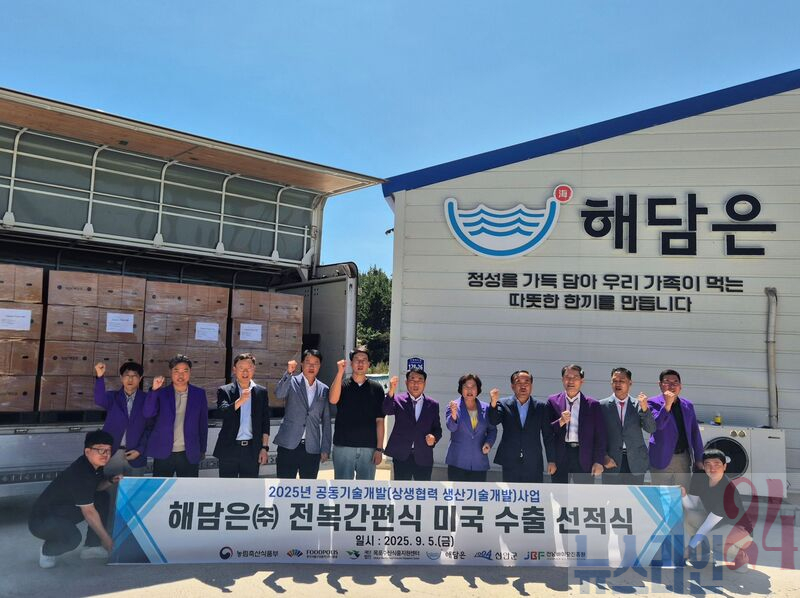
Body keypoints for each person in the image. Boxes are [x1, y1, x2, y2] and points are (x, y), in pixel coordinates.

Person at [28, 430, 120, 568]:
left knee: (102, 496)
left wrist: (111, 481)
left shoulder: (94, 465)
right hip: (41, 521)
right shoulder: (80, 473)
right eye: (101, 450)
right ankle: (48, 550)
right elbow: (89, 512)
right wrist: (106, 539)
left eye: (108, 450)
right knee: (72, 538)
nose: (106, 455)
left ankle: (92, 547)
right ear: (87, 451)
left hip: (63, 511)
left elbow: (96, 488)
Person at [682, 449, 754, 571]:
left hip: (740, 529)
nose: (712, 468)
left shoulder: (728, 491)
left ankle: (741, 557)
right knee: (689, 516)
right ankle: (705, 555)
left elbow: (708, 525)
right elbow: (692, 507)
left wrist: (689, 548)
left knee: (710, 539)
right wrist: (683, 496)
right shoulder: (699, 478)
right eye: (708, 464)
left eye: (717, 464)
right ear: (703, 466)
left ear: (725, 466)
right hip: (718, 524)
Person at [143, 355, 208, 478]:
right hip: (164, 452)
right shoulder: (161, 393)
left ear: (190, 372)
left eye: (185, 371)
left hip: (188, 452)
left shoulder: (199, 394)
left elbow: (202, 423)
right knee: (161, 488)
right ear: (171, 372)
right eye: (176, 371)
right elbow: (148, 413)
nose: (181, 375)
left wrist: (202, 449)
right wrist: (154, 391)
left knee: (187, 488)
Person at [488, 369, 556, 483]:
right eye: (518, 382)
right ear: (512, 386)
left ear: (531, 386)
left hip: (533, 460)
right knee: (511, 492)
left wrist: (551, 460)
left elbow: (548, 435)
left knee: (533, 492)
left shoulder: (541, 407)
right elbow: (494, 420)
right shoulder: (504, 404)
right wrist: (493, 403)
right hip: (510, 459)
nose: (523, 386)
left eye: (527, 382)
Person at [329, 347, 386, 480]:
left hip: (368, 448)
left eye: (364, 360)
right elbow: (332, 399)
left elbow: (380, 420)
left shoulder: (377, 388)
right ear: (351, 363)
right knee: (343, 489)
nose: (360, 363)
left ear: (369, 364)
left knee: (365, 489)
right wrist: (340, 372)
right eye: (356, 360)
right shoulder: (342, 385)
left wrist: (379, 449)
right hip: (343, 446)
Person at [273, 349, 331, 479]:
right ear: (302, 364)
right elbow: (279, 394)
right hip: (288, 445)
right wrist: (288, 372)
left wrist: (325, 448)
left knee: (309, 488)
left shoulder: (324, 389)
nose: (311, 366)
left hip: (312, 447)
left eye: (315, 363)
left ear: (320, 366)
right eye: (308, 362)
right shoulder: (292, 381)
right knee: (285, 487)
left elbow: (326, 421)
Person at [212, 352, 270, 478]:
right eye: (241, 368)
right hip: (229, 449)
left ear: (254, 369)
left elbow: (265, 422)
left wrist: (264, 448)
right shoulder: (225, 390)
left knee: (249, 487)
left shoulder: (261, 392)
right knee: (228, 487)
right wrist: (240, 400)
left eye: (249, 368)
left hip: (252, 450)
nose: (245, 372)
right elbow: (222, 412)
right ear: (234, 370)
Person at [548, 364, 606, 484]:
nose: (571, 381)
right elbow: (547, 432)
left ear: (581, 381)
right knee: (560, 492)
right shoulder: (553, 401)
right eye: (567, 377)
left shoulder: (592, 404)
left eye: (575, 377)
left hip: (584, 455)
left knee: (583, 493)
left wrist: (598, 461)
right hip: (561, 456)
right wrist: (560, 422)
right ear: (562, 379)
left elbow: (600, 435)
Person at [648, 369, 705, 488]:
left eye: (675, 382)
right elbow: (657, 426)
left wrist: (699, 458)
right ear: (660, 384)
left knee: (682, 494)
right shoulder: (652, 403)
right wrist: (667, 405)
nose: (672, 385)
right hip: (661, 457)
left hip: (683, 457)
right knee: (661, 495)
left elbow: (694, 432)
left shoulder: (687, 405)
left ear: (680, 386)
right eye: (667, 382)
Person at [383, 367, 442, 481]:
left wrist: (434, 438)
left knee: (422, 489)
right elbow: (386, 410)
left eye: (420, 380)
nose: (416, 384)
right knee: (401, 489)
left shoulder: (433, 405)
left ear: (425, 383)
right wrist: (391, 392)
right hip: (402, 455)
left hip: (423, 455)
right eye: (412, 380)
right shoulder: (398, 399)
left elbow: (437, 429)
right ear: (406, 382)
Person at [93, 361, 151, 477]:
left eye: (134, 376)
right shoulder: (113, 397)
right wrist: (100, 376)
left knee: (134, 488)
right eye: (127, 375)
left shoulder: (147, 400)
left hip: (136, 455)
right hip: (112, 453)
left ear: (140, 378)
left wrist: (140, 450)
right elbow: (99, 399)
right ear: (121, 377)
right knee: (110, 486)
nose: (130, 379)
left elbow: (150, 428)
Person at [600, 367, 656, 485]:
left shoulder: (639, 404)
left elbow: (651, 428)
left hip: (635, 461)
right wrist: (603, 456)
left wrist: (645, 408)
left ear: (630, 383)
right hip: (612, 461)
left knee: (634, 496)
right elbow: (597, 435)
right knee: (612, 495)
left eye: (622, 381)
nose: (618, 384)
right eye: (614, 381)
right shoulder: (602, 405)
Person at [445, 373, 497, 482]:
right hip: (457, 461)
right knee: (457, 493)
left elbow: (492, 430)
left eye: (473, 387)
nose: (469, 390)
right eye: (466, 387)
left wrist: (488, 443)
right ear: (461, 389)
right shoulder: (453, 405)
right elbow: (451, 428)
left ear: (478, 390)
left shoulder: (486, 408)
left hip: (479, 461)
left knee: (478, 492)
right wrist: (454, 415)